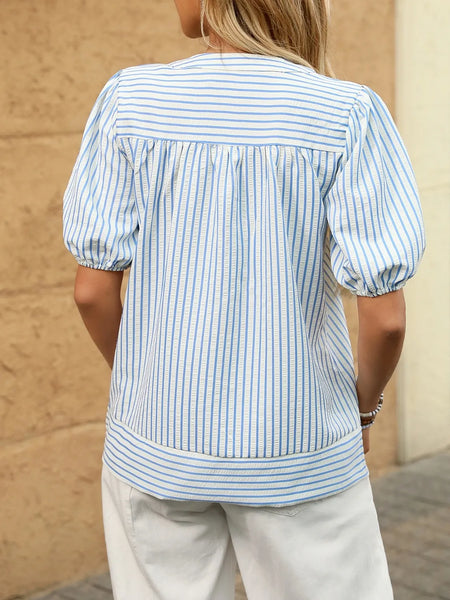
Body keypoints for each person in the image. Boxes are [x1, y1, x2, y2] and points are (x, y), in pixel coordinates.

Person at [62, 0, 426, 598]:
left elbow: (91, 292)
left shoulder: (130, 101)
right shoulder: (345, 113)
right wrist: (362, 411)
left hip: (154, 449)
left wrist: (150, 385)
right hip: (301, 451)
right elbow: (385, 319)